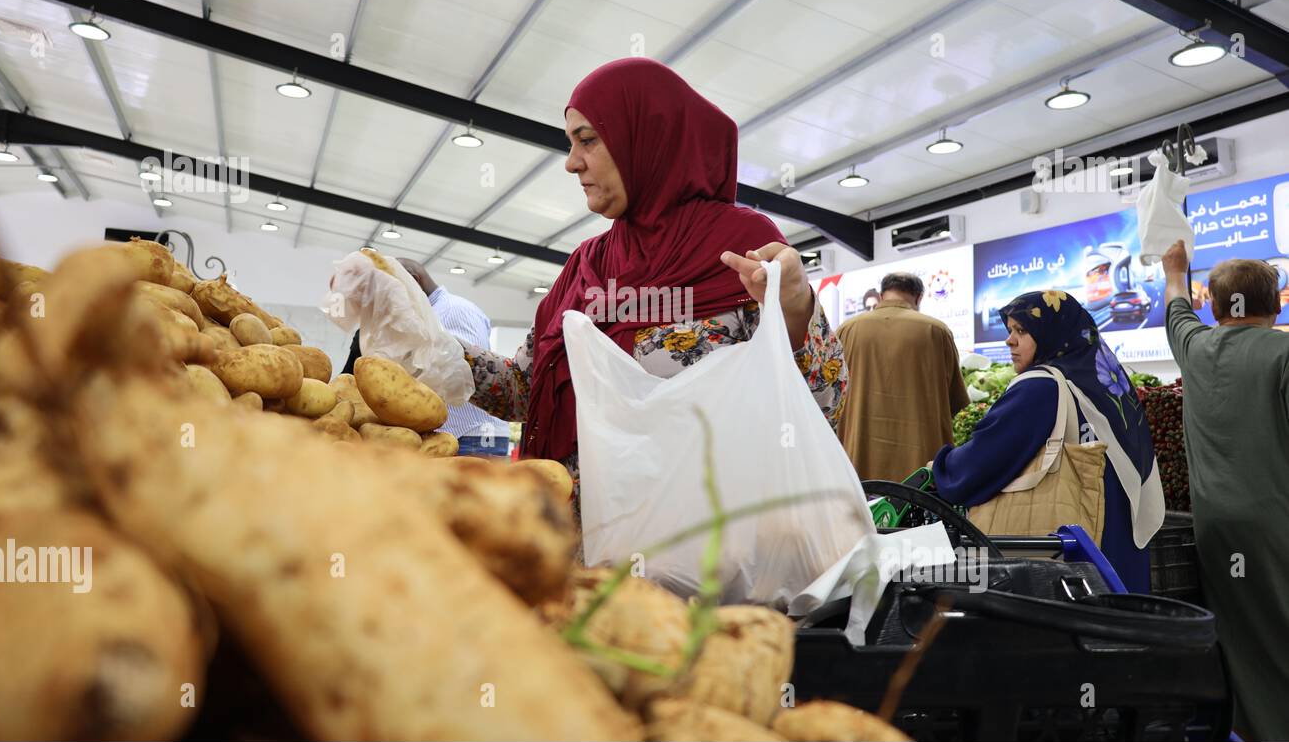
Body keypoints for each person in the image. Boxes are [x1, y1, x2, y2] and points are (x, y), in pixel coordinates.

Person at [460, 57, 847, 511]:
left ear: (646, 139)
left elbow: (821, 406)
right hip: (573, 554)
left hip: (697, 552)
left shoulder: (739, 246)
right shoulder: (588, 263)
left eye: (587, 140)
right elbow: (523, 390)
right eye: (570, 143)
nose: (570, 163)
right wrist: (429, 350)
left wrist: (797, 307)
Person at [930, 289, 1163, 592]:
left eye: (1022, 330)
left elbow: (979, 465)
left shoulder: (1040, 386)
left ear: (1052, 332)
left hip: (1077, 545)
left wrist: (943, 465)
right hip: (1115, 534)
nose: (1009, 340)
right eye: (1010, 330)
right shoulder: (1102, 380)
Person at [1161, 239, 1289, 741]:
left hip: (1219, 532)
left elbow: (1175, 303)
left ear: (1213, 306)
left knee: (1244, 639)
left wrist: (1174, 267)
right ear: (1277, 302)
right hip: (1279, 520)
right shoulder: (1283, 353)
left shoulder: (1196, 348)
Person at [340, 259, 511, 457]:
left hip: (472, 436)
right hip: (443, 435)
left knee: (470, 485)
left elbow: (466, 375)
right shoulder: (413, 317)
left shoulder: (455, 311)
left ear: (413, 281)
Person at [834, 272, 969, 482]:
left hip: (858, 463)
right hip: (920, 469)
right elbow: (953, 401)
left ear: (881, 296)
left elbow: (831, 398)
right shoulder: (936, 331)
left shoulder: (847, 330)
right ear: (919, 298)